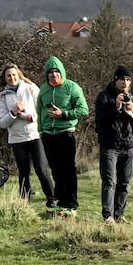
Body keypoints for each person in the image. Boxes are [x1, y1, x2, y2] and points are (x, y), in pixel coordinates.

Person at [0, 63, 55, 207]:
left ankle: (53, 200)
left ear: (19, 75)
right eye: (8, 76)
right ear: (5, 78)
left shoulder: (31, 88)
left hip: (34, 135)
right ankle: (24, 203)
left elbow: (43, 110)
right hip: (16, 140)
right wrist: (13, 113)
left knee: (42, 169)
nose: (12, 78)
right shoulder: (3, 96)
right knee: (23, 172)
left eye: (14, 75)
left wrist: (29, 117)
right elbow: (2, 123)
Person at [38, 56, 88, 215]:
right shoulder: (43, 90)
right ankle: (60, 201)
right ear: (46, 75)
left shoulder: (72, 87)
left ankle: (71, 203)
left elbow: (83, 110)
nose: (54, 75)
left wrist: (64, 114)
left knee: (68, 169)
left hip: (65, 133)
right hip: (47, 135)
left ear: (62, 73)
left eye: (57, 71)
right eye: (50, 72)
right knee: (55, 169)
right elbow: (39, 111)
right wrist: (40, 130)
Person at [94, 66, 133, 222]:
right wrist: (117, 107)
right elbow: (100, 120)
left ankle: (119, 214)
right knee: (109, 182)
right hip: (110, 145)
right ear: (115, 80)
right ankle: (108, 216)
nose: (125, 83)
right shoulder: (104, 97)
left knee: (124, 183)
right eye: (122, 79)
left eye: (128, 80)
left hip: (128, 145)